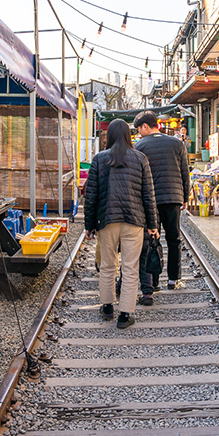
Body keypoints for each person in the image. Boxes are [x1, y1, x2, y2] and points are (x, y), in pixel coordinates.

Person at [83, 118, 159, 328]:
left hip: (106, 220)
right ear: (127, 135)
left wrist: (89, 225)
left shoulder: (99, 159)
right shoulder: (140, 158)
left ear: (110, 137)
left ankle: (107, 307)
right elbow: (148, 195)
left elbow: (91, 195)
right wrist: (152, 224)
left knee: (107, 265)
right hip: (134, 221)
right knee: (130, 266)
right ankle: (125, 315)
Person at [134, 110, 192, 300]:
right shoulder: (177, 143)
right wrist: (185, 196)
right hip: (173, 198)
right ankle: (174, 279)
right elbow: (185, 171)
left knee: (152, 239)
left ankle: (154, 281)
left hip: (150, 200)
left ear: (145, 126)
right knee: (174, 239)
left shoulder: (140, 146)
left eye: (138, 129)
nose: (138, 133)